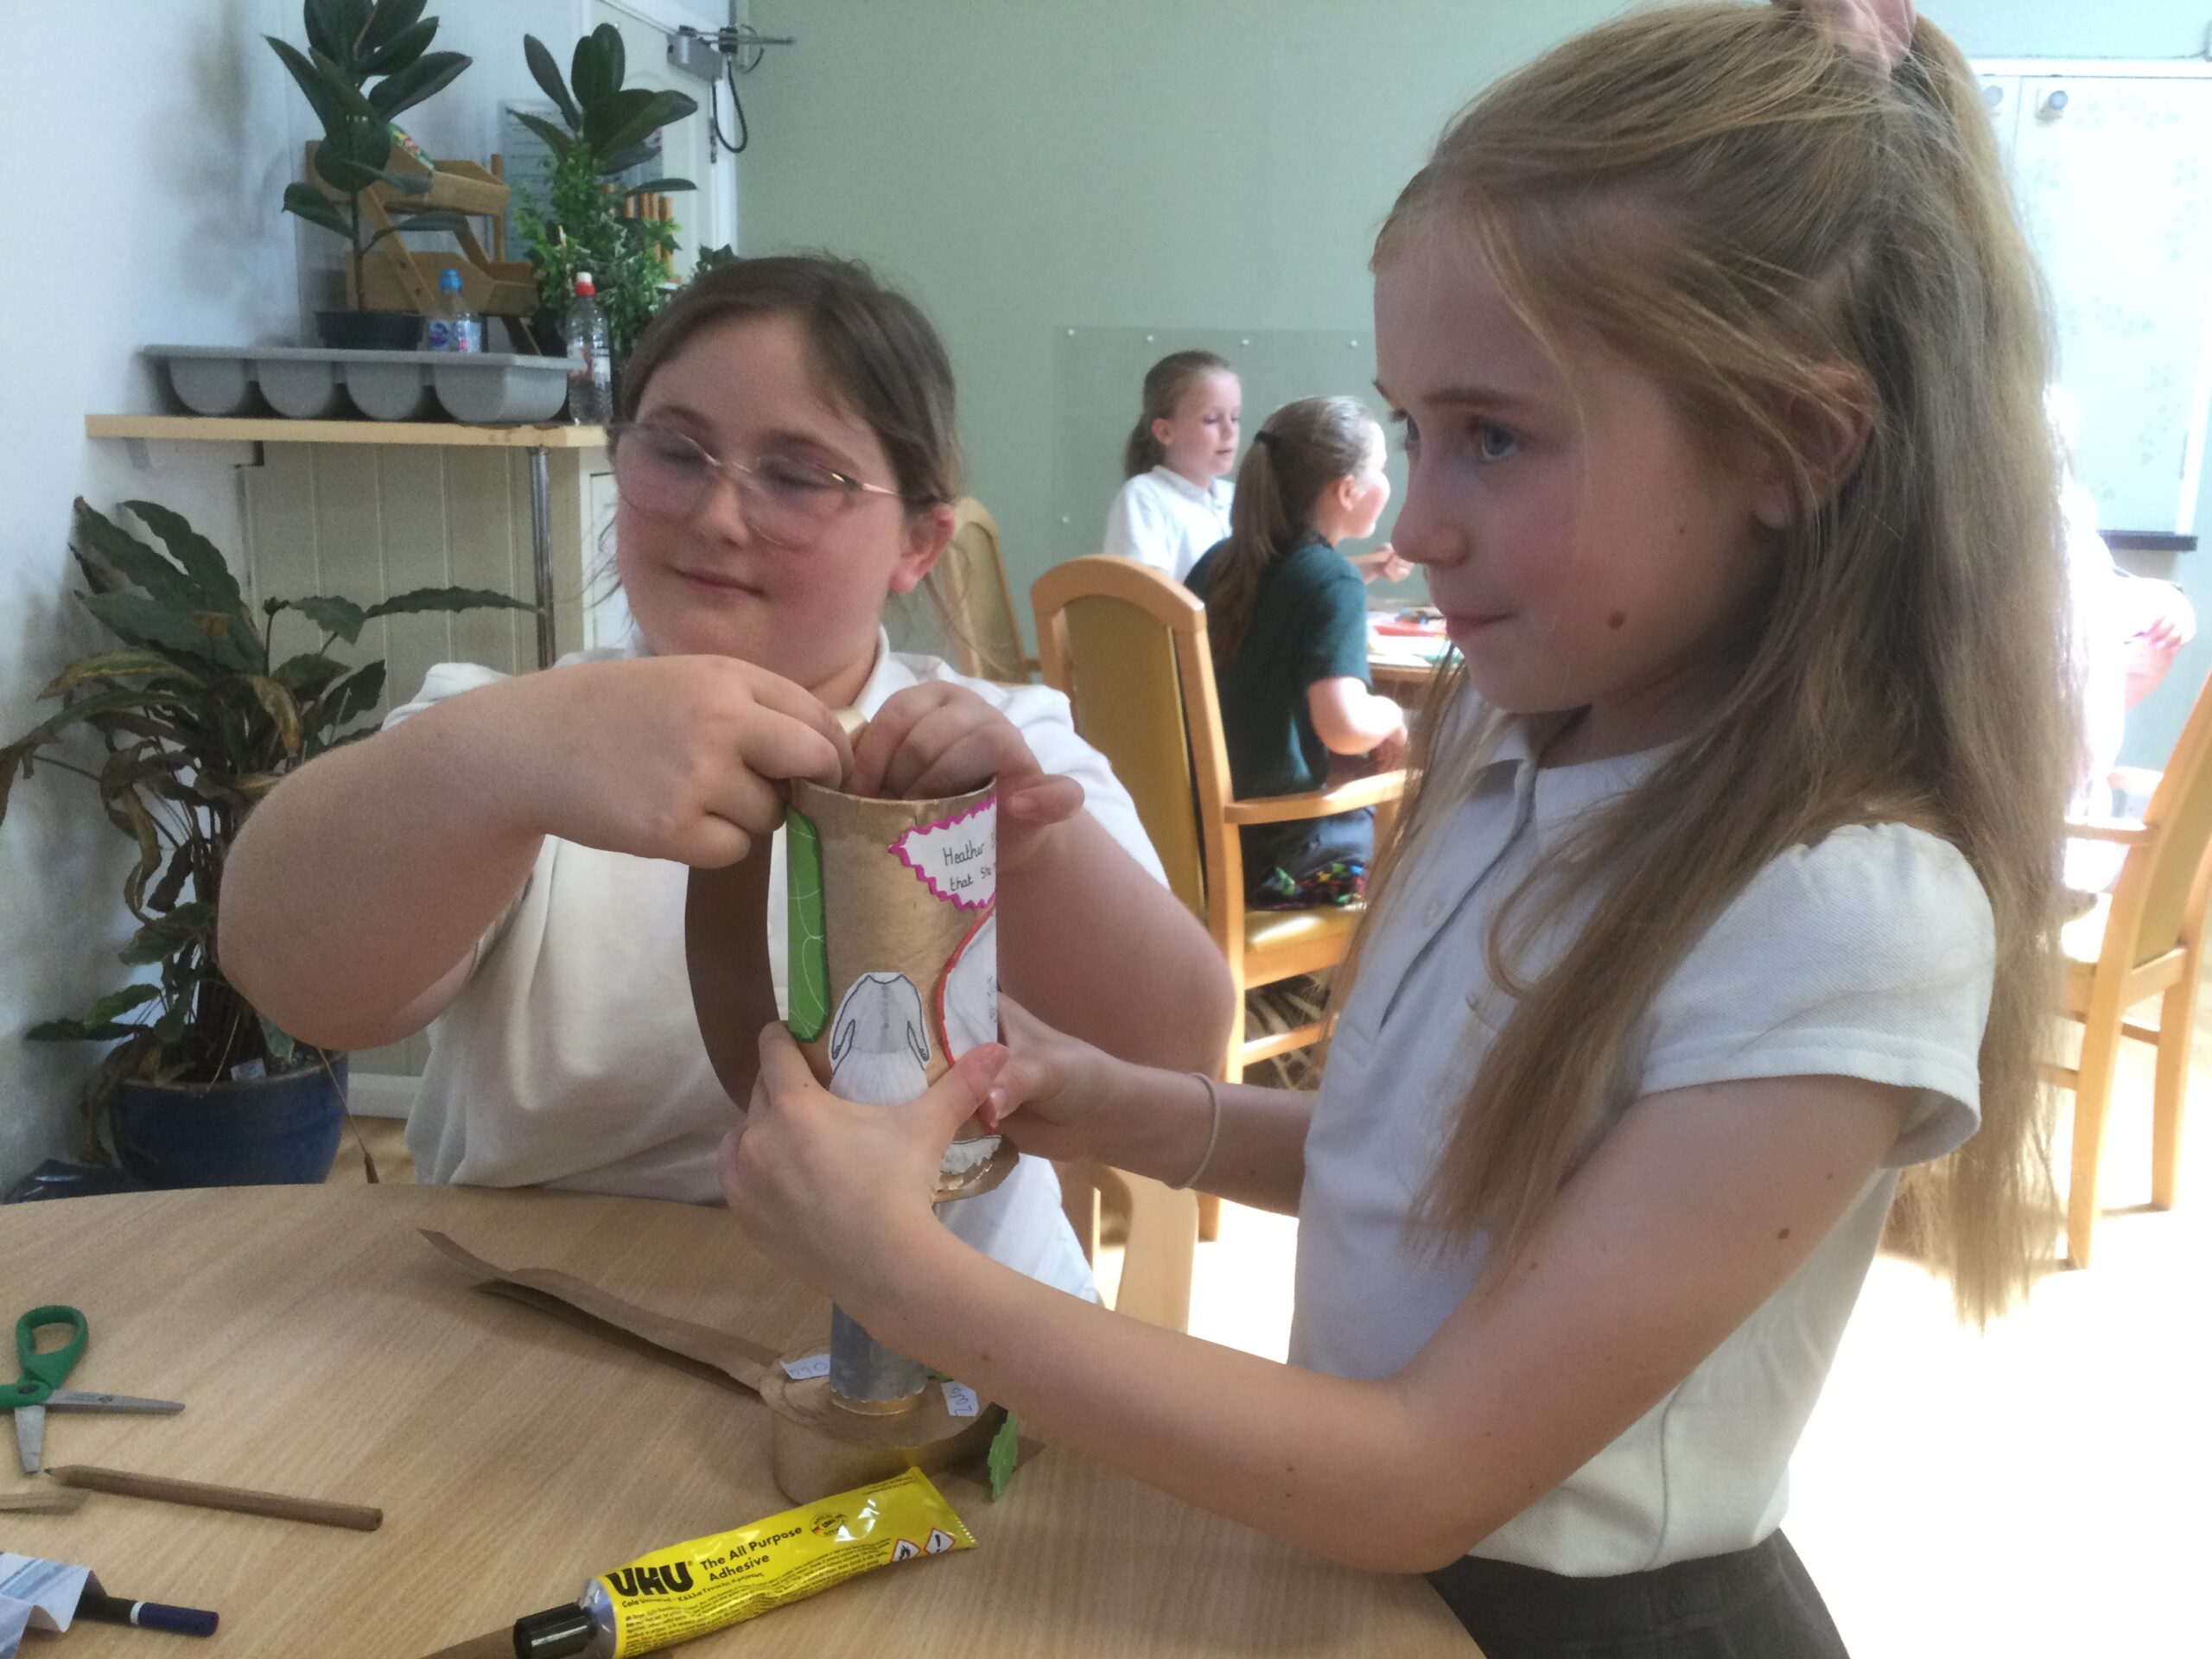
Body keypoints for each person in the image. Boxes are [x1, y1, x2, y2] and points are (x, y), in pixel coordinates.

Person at [721, 7, 2069, 1655]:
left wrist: (909, 1277)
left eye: (1495, 436)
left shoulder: (1845, 911)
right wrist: (1125, 1108)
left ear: (1791, 444)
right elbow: (1428, 1176)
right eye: (1418, 431)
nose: (1418, 522)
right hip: (1363, 1582)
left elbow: (1421, 1473)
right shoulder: (1509, 750)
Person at [219, 255, 1236, 1297]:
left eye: (797, 476)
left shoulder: (1008, 742)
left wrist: (1031, 850)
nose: (715, 516)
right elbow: (294, 976)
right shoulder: (516, 736)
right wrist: (493, 762)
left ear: (921, 545)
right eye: (675, 451)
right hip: (543, 1317)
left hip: (940, 1324)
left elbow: (1170, 1053)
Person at [1185, 396, 1408, 907]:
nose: (1388, 482)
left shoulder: (1218, 564)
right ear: (1347, 490)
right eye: (1380, 468)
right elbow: (1343, 727)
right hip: (1276, 857)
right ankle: (1323, 984)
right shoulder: (1331, 580)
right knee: (1424, 832)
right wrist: (1393, 714)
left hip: (1194, 846)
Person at [1102, 349, 1241, 581]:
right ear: (1165, 431)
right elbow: (1151, 601)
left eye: (1235, 418)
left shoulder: (1238, 496)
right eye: (1211, 419)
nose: (1229, 431)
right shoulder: (1144, 496)